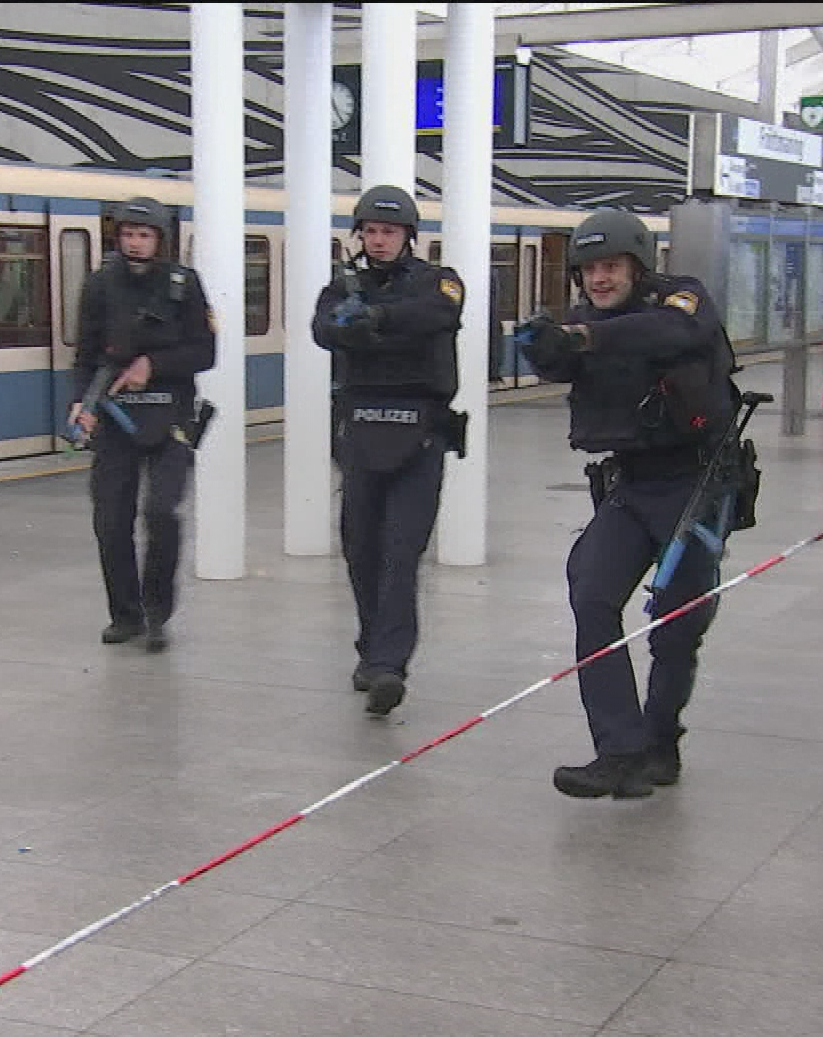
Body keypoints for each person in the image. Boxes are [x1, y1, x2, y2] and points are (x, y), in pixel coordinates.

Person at [519, 209, 740, 798]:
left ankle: (660, 740)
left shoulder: (681, 302)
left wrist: (585, 335)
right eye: (589, 269)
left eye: (611, 266)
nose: (599, 279)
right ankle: (618, 750)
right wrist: (544, 345)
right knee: (591, 593)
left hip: (695, 486)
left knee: (676, 625)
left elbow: (670, 335)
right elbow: (560, 361)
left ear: (638, 267)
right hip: (629, 486)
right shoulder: (582, 322)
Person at [311, 185, 466, 716]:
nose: (378, 241)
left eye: (389, 231)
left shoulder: (438, 282)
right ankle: (371, 646)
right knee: (361, 549)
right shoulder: (342, 285)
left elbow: (436, 315)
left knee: (402, 552)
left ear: (408, 236)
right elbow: (324, 329)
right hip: (360, 432)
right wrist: (358, 325)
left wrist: (374, 323)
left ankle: (390, 665)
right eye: (371, 231)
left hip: (419, 435)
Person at [68, 195, 216, 653]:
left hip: (170, 416)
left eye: (143, 235)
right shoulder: (99, 286)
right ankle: (125, 615)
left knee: (161, 514)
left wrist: (152, 364)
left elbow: (205, 353)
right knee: (111, 519)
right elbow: (87, 355)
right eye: (128, 235)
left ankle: (157, 614)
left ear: (160, 240)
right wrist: (81, 403)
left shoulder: (183, 285)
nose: (135, 243)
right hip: (115, 418)